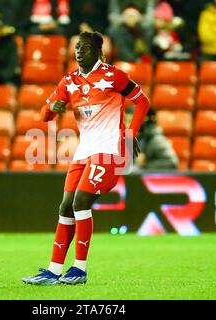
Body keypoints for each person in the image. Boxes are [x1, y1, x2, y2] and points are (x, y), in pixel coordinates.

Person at [22, 31, 150, 285]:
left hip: (108, 150)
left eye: (86, 47)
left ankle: (79, 269)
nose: (79, 51)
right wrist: (52, 109)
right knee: (65, 206)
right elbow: (44, 115)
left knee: (81, 202)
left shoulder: (114, 76)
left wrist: (130, 134)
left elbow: (142, 102)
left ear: (99, 51)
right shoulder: (69, 81)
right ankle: (54, 270)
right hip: (83, 151)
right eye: (77, 47)